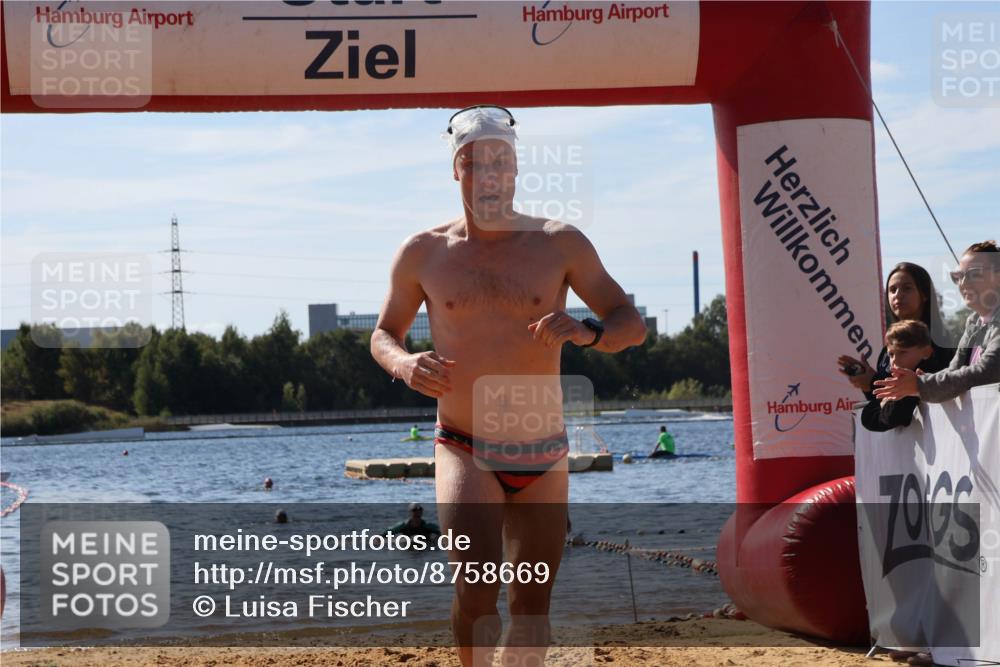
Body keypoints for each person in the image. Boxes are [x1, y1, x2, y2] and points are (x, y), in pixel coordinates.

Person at [370, 104, 646, 667]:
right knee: (475, 591)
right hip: (466, 444)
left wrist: (588, 331)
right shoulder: (422, 252)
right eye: (475, 163)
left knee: (530, 606)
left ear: (516, 170)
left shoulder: (559, 243)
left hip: (543, 450)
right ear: (457, 171)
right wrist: (404, 364)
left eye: (501, 161)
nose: (489, 173)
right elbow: (382, 335)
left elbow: (630, 324)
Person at [875, 240, 1000, 403]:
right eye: (958, 276)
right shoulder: (974, 322)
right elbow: (954, 370)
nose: (963, 283)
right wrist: (920, 381)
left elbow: (988, 371)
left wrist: (920, 384)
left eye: (974, 274)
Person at [837, 262, 951, 401]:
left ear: (924, 294)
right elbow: (880, 406)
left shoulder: (940, 342)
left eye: (907, 288)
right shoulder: (886, 351)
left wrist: (873, 382)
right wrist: (867, 381)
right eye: (892, 290)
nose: (898, 295)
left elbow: (926, 393)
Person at [861, 320, 942, 432]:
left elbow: (894, 417)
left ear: (926, 352)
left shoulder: (925, 377)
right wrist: (883, 403)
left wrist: (885, 404)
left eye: (903, 352)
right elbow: (867, 418)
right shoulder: (897, 380)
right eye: (891, 354)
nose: (894, 359)